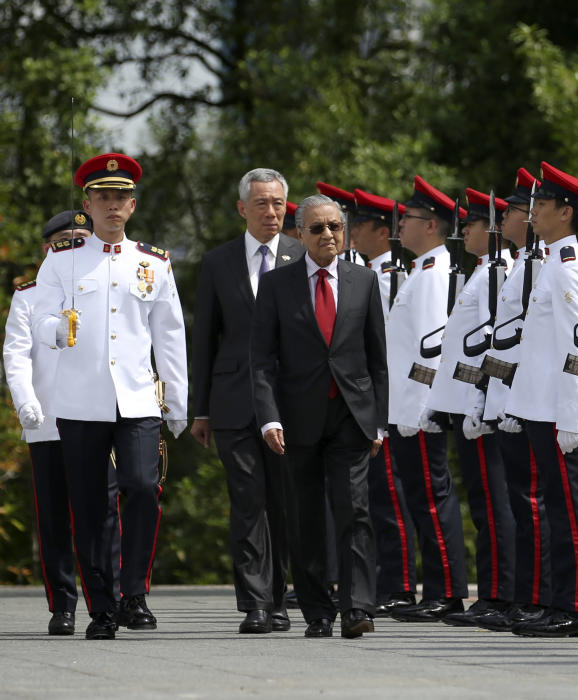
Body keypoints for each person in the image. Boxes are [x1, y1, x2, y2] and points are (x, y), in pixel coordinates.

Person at [31, 153, 188, 640]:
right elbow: (39, 321)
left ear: (133, 204)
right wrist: (60, 329)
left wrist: (178, 400)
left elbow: (170, 334)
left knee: (142, 487)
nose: (112, 205)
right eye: (102, 197)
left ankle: (133, 592)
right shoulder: (61, 261)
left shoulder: (153, 263)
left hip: (137, 398)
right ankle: (101, 606)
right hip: (80, 401)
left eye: (120, 197)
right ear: (87, 204)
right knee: (89, 506)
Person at [250, 193, 387, 639]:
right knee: (305, 516)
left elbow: (376, 358)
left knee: (355, 511)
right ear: (300, 234)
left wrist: (378, 420)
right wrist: (269, 418)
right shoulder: (277, 285)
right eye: (317, 228)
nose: (328, 235)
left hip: (351, 416)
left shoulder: (364, 281)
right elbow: (263, 360)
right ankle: (317, 611)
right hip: (297, 420)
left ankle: (357, 606)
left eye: (334, 227)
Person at [190, 168, 302, 634]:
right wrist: (201, 407)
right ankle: (255, 602)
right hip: (234, 398)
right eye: (261, 203)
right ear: (242, 208)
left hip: (291, 400)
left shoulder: (303, 255)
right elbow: (205, 338)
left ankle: (278, 598)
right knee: (247, 499)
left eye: (278, 203)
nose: (271, 212)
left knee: (284, 501)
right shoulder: (218, 263)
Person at [3, 210, 120, 636]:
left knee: (103, 514)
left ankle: (110, 599)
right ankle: (63, 603)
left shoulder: (108, 285)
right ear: (47, 249)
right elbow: (15, 357)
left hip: (96, 418)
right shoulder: (29, 296)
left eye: (80, 239)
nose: (73, 247)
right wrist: (26, 402)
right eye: (64, 241)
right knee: (55, 517)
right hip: (49, 419)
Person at [504, 161, 578, 638]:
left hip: (555, 409)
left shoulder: (568, 267)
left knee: (568, 507)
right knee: (554, 506)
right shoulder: (550, 264)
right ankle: (558, 600)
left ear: (565, 212)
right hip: (538, 406)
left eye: (540, 205)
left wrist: (570, 416)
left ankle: (576, 604)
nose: (531, 213)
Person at [423, 187, 516, 626]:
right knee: (483, 502)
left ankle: (500, 593)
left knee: (495, 502)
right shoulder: (481, 272)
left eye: (472, 224)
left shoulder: (500, 272)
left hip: (484, 404)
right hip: (467, 403)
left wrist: (482, 397)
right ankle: (494, 591)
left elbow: (496, 343)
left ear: (493, 228)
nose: (464, 231)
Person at [385, 176, 469, 622]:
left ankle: (446, 591)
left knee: (432, 498)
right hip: (404, 407)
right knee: (421, 498)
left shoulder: (436, 276)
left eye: (410, 219)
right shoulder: (422, 270)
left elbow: (432, 350)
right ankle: (436, 588)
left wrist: (420, 408)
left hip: (417, 409)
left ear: (432, 226)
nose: (400, 225)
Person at [475, 167, 554, 632]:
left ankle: (533, 595)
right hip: (510, 397)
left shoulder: (546, 264)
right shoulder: (519, 264)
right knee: (518, 502)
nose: (500, 220)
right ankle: (522, 594)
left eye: (513, 211)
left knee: (533, 503)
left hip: (533, 400)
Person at [350, 188, 419, 614]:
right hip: (373, 399)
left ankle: (400, 582)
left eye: (358, 226)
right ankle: (382, 579)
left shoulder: (391, 275)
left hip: (391, 399)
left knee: (391, 495)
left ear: (381, 230)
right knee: (375, 494)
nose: (351, 233)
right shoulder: (372, 272)